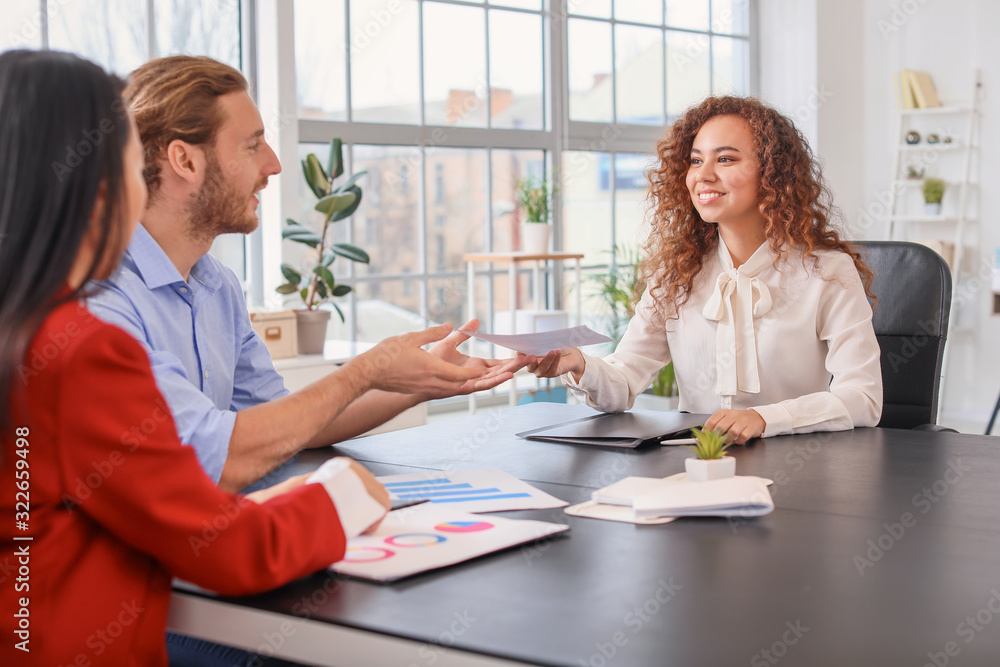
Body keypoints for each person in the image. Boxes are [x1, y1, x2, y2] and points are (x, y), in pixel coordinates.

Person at [0, 49, 391, 667]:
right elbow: (227, 549)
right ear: (92, 186)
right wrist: (343, 497)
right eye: (132, 167)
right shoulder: (78, 348)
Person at [87, 55, 525, 493]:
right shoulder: (103, 302)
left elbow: (289, 423)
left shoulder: (217, 286)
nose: (273, 164)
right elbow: (214, 460)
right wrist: (367, 369)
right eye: (252, 145)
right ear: (185, 160)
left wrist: (421, 381)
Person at [527, 96, 882, 443]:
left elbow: (863, 398)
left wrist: (763, 418)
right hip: (697, 467)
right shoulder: (676, 275)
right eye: (696, 161)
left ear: (773, 172)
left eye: (725, 159)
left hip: (798, 467)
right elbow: (623, 384)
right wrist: (579, 365)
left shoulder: (827, 272)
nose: (703, 175)